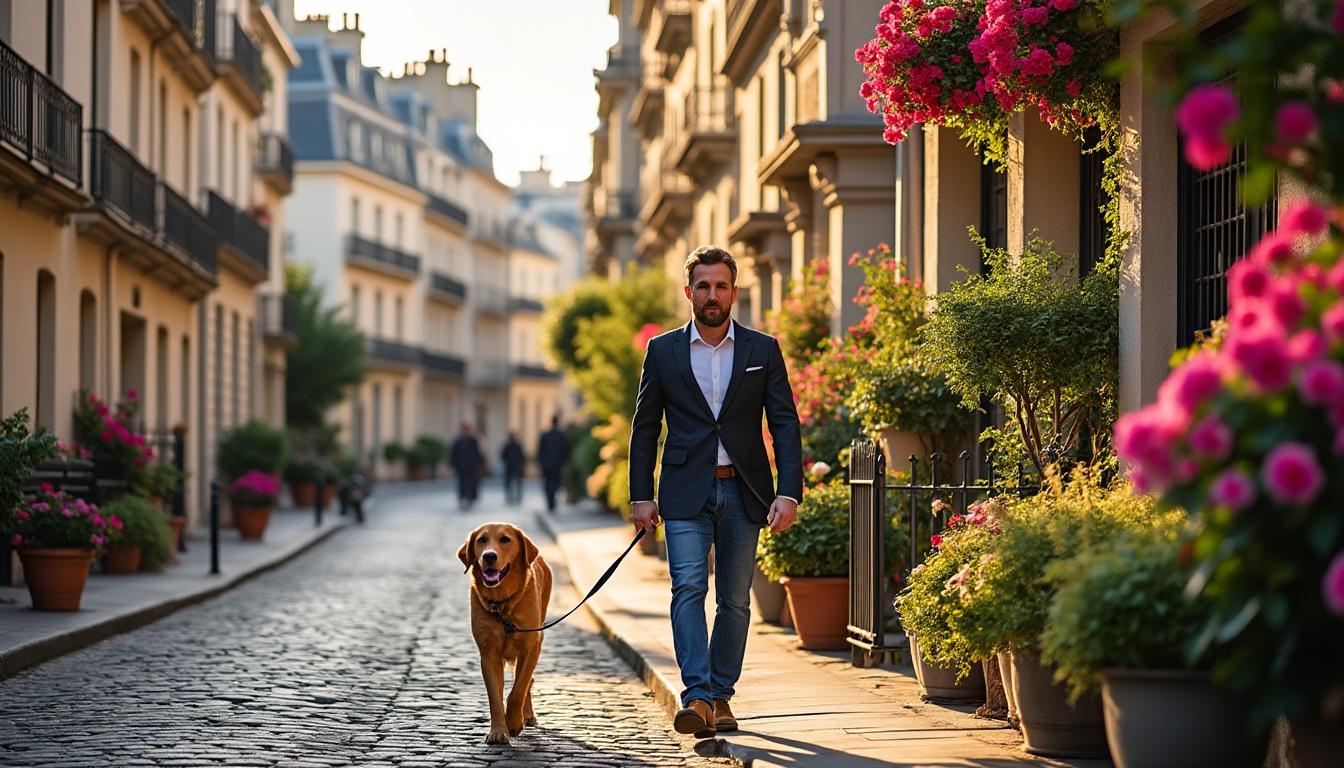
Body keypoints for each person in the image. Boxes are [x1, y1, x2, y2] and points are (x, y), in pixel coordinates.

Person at [628, 245, 802, 740]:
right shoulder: (662, 351)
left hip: (743, 492)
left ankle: (721, 694)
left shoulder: (760, 350)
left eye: (720, 285)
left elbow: (784, 424)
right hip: (684, 494)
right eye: (702, 286)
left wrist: (788, 492)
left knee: (735, 600)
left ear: (734, 292)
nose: (711, 294)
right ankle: (697, 696)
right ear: (689, 292)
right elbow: (645, 428)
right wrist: (641, 496)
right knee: (687, 588)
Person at [537, 416, 569, 513]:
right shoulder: (561, 435)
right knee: (556, 483)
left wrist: (540, 462)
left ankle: (550, 502)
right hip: (557, 464)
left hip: (546, 464)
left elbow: (540, 450)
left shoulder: (545, 435)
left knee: (547, 483)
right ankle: (552, 502)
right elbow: (566, 450)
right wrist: (564, 461)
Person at [450, 423, 485, 510]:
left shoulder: (473, 440)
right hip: (461, 467)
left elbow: (477, 453)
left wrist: (480, 463)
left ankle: (470, 498)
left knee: (472, 483)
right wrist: (453, 464)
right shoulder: (458, 441)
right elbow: (453, 454)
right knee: (461, 483)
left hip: (472, 467)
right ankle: (463, 497)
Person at [500, 432, 525, 506]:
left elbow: (503, 456)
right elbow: (522, 456)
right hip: (515, 466)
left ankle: (511, 497)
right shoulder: (516, 445)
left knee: (510, 482)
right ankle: (516, 497)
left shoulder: (508, 445)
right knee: (517, 482)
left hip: (510, 466)